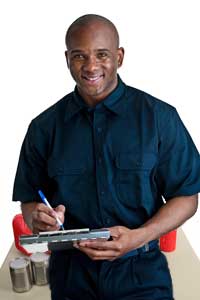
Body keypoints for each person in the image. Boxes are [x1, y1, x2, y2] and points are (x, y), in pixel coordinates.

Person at [12, 14, 200, 300]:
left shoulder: (160, 118)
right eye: (79, 56)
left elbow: (187, 197)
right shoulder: (43, 127)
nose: (90, 66)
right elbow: (29, 201)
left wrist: (140, 236)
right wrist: (39, 217)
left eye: (102, 54)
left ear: (119, 56)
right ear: (67, 58)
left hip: (141, 273)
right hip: (71, 276)